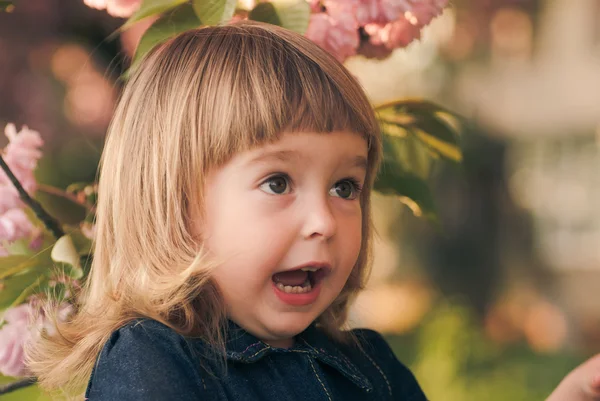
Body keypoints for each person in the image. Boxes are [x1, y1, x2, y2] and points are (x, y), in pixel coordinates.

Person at [25, 21, 599, 401]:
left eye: (346, 187)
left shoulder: (370, 366)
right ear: (175, 203)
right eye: (278, 181)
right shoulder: (156, 364)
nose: (325, 220)